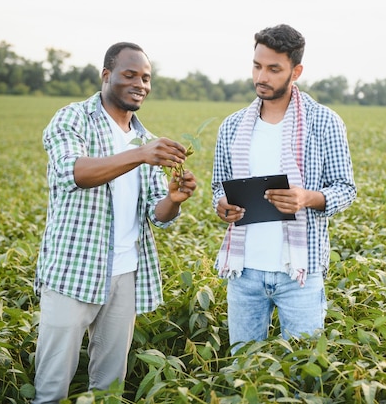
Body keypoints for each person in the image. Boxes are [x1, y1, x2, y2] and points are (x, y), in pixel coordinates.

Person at [33, 42, 197, 403]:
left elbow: (157, 216)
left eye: (146, 77)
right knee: (51, 387)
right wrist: (140, 155)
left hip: (124, 273)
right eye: (130, 75)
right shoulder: (74, 118)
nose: (140, 83)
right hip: (71, 272)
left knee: (109, 387)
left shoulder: (145, 138)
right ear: (106, 76)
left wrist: (173, 198)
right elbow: (72, 172)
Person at [211, 24, 356, 353]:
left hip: (300, 274)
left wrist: (307, 198)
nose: (262, 76)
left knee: (305, 370)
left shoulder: (324, 122)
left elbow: (345, 189)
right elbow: (218, 187)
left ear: (296, 71)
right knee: (243, 368)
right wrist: (222, 206)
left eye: (274, 69)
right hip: (244, 272)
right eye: (257, 66)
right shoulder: (232, 126)